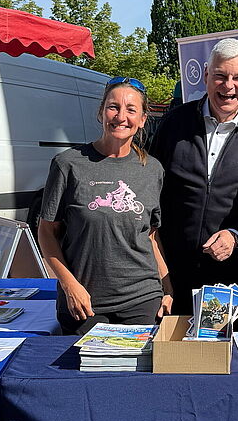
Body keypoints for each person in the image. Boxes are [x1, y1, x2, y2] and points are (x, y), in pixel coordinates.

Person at [150, 38, 238, 324]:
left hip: (229, 276)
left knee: (222, 360)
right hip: (172, 272)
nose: (228, 86)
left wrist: (237, 235)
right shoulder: (174, 123)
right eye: (220, 75)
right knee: (171, 358)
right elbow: (152, 192)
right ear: (207, 75)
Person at [38, 77, 173, 335]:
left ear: (143, 119)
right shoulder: (68, 164)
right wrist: (69, 286)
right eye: (114, 107)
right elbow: (46, 232)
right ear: (101, 112)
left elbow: (151, 236)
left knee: (136, 371)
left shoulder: (152, 169)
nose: (121, 116)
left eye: (131, 109)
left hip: (141, 299)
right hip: (84, 302)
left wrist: (168, 289)